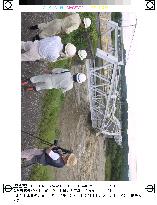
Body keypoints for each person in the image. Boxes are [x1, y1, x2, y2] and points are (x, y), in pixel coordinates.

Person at [21, 68, 87, 92]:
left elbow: (54, 71)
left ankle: (24, 82)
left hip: (49, 78)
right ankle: (28, 89)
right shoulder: (70, 86)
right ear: (77, 82)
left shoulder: (67, 72)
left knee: (35, 79)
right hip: (50, 86)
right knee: (39, 87)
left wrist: (47, 71)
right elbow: (62, 90)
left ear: (76, 74)